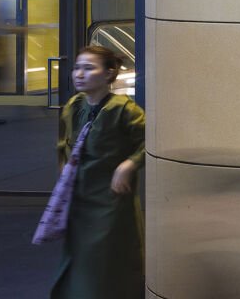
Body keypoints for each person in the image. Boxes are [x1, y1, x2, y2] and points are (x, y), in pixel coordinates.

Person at [51, 44, 144, 299]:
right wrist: (64, 175)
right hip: (79, 198)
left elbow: (150, 142)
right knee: (79, 260)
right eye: (77, 68)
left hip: (110, 202)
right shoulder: (74, 105)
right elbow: (63, 144)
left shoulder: (124, 109)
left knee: (108, 262)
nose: (79, 74)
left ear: (109, 73)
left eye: (88, 68)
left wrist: (129, 164)